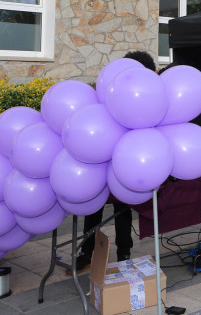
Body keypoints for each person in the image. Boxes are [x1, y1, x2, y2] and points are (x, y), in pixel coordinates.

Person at [71, 50, 155, 274]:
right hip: (100, 160)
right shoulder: (111, 90)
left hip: (125, 162)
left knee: (123, 207)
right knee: (93, 206)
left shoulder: (147, 98)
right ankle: (87, 253)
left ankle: (124, 253)